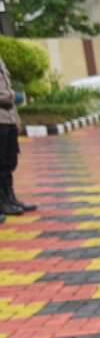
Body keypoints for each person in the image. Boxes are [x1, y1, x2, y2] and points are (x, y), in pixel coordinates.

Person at [0, 51, 26, 219]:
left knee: (9, 162)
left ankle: (11, 199)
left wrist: (16, 119)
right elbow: (7, 94)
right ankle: (4, 202)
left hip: (8, 119)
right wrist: (10, 97)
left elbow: (7, 88)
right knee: (1, 164)